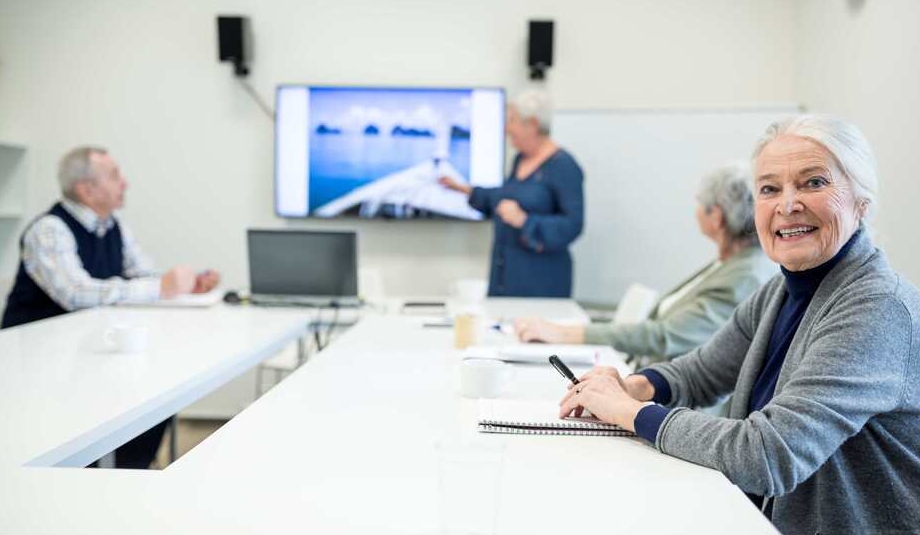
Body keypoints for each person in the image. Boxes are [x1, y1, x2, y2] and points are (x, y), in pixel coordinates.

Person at [557, 115, 920, 535]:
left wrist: (628, 411)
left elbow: (767, 455)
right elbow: (703, 371)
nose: (787, 204)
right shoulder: (781, 292)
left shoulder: (877, 307)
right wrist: (636, 385)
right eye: (769, 189)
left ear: (862, 201)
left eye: (813, 183)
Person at [1, 146, 221, 468]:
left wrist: (183, 286)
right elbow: (76, 294)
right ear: (86, 189)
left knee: (157, 396)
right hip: (36, 364)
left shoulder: (113, 225)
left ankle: (125, 475)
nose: (125, 183)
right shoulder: (49, 230)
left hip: (86, 353)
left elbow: (141, 275)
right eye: (115, 176)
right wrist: (161, 287)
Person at [516, 162, 776, 365]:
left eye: (699, 202)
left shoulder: (745, 277)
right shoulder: (729, 263)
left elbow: (662, 336)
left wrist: (564, 334)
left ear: (716, 216)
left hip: (679, 405)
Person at [439, 89, 583, 297]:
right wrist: (463, 189)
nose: (507, 129)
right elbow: (504, 200)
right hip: (506, 277)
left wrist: (525, 221)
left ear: (532, 124)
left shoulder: (563, 166)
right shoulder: (520, 160)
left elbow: (573, 224)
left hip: (541, 284)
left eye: (512, 121)